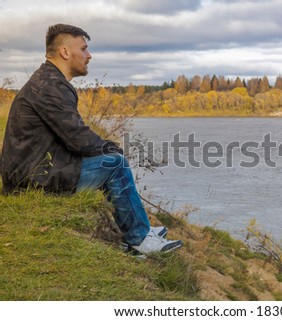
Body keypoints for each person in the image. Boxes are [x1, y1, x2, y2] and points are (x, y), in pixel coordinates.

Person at [1, 23, 182, 256]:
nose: (89, 55)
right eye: (84, 49)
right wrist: (113, 149)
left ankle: (139, 229)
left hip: (34, 170)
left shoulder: (49, 81)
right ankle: (139, 240)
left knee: (110, 161)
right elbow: (78, 138)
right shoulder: (50, 86)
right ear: (65, 52)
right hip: (33, 178)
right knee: (114, 163)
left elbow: (71, 135)